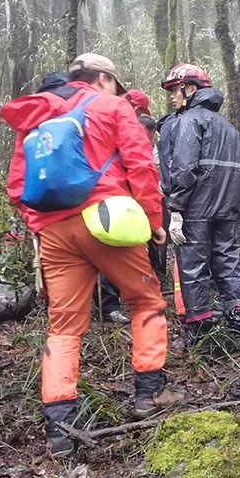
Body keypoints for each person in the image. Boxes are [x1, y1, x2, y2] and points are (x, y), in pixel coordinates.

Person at [0, 52, 182, 458]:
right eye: (114, 83)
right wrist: (154, 220)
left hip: (52, 232)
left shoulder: (35, 117)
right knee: (147, 300)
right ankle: (149, 393)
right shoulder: (111, 106)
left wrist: (38, 225)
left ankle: (60, 426)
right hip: (107, 221)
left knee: (63, 325)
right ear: (102, 79)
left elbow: (16, 185)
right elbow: (140, 166)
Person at [159, 63, 240, 349]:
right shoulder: (227, 126)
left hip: (195, 210)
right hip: (226, 210)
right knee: (227, 262)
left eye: (175, 90)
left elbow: (185, 169)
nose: (172, 97)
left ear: (190, 89)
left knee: (193, 267)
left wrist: (175, 208)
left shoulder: (189, 121)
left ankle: (201, 334)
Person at [94, 114, 163, 325]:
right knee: (112, 253)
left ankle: (114, 303)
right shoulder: (121, 142)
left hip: (123, 207)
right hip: (113, 207)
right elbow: (140, 177)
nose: (146, 142)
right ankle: (109, 306)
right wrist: (154, 221)